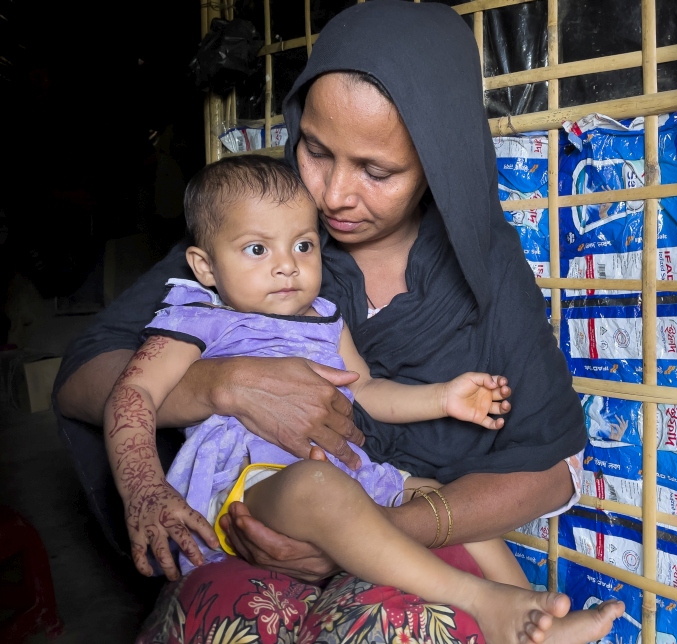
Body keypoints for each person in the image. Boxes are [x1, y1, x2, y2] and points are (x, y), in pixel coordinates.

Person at [55, 1, 618, 641]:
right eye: (315, 151)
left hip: (390, 513)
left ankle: (534, 626)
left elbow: (550, 467)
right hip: (257, 514)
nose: (332, 197)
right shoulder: (256, 234)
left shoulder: (483, 270)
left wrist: (367, 532)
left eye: (376, 171)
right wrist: (223, 383)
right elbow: (84, 378)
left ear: (438, 162)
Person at [104, 154, 620, 643]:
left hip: (344, 476)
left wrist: (443, 398)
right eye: (258, 249)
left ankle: (533, 618)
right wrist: (143, 486)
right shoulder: (199, 317)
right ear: (206, 266)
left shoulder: (324, 317)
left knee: (438, 496)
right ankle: (481, 601)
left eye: (302, 245)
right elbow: (133, 392)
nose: (287, 266)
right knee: (315, 483)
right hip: (248, 488)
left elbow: (366, 389)